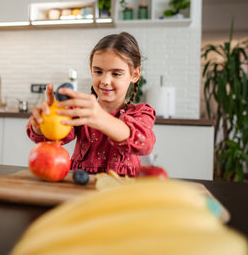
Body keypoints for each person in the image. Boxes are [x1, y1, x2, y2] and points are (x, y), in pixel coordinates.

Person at [26, 32, 156, 176]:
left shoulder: (141, 113)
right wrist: (43, 124)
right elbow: (59, 136)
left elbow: (144, 143)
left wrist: (101, 118)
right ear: (91, 69)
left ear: (135, 75)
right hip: (81, 185)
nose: (105, 80)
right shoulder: (80, 110)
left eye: (116, 74)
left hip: (122, 191)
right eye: (98, 71)